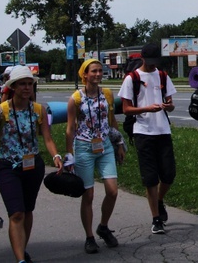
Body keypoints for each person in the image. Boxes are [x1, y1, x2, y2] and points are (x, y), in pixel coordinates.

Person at [0, 65, 64, 263]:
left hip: (33, 166)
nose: (27, 88)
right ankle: (20, 260)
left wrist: (56, 156)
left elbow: (48, 139)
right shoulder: (1, 111)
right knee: (16, 213)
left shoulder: (38, 110)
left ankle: (21, 248)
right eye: (22, 84)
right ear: (13, 87)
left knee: (27, 211)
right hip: (8, 166)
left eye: (30, 84)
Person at [66, 59, 125, 254]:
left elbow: (112, 120)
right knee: (88, 195)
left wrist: (119, 143)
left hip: (105, 146)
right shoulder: (75, 98)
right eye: (94, 71)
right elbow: (70, 129)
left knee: (112, 191)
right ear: (85, 74)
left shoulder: (107, 94)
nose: (98, 74)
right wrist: (69, 156)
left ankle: (103, 226)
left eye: (100, 71)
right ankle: (90, 237)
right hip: (84, 147)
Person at [118, 43, 176, 235]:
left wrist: (168, 107)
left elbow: (171, 104)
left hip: (163, 130)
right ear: (142, 59)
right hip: (143, 131)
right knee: (150, 178)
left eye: (155, 62)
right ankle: (156, 218)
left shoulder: (162, 76)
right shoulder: (131, 79)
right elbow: (126, 109)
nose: (152, 66)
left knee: (168, 174)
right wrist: (146, 108)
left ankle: (159, 201)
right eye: (149, 62)